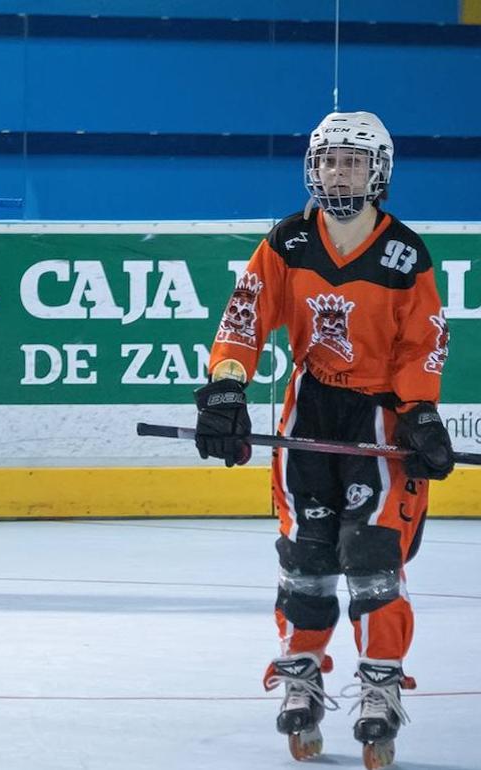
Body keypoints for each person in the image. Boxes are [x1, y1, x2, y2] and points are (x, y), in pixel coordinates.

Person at [193, 111, 453, 769]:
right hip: (307, 413)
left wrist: (420, 414)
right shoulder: (289, 241)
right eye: (330, 159)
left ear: (378, 172)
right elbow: (244, 317)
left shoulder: (405, 254)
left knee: (371, 557)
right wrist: (226, 389)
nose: (340, 171)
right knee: (306, 558)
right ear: (313, 167)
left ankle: (381, 684)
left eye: (354, 161)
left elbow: (424, 341)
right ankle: (301, 669)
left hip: (378, 419)